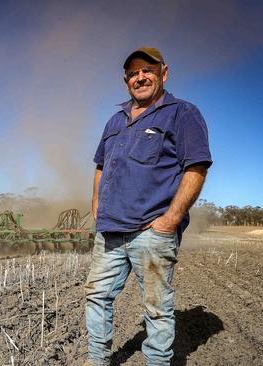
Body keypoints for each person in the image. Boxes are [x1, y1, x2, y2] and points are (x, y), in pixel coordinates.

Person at [84, 47, 212, 366]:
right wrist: (97, 202)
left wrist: (171, 218)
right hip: (110, 233)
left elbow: (195, 167)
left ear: (163, 73)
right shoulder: (115, 120)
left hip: (151, 233)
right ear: (125, 80)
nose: (140, 76)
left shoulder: (182, 113)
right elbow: (100, 166)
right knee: (96, 297)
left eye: (148, 70)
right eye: (133, 72)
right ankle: (96, 360)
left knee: (156, 308)